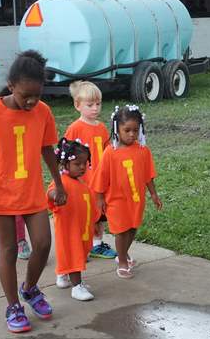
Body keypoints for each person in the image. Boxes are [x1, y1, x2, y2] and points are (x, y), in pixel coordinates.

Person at [0, 50, 64, 334]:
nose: (32, 102)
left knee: (43, 243)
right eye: (25, 96)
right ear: (11, 86)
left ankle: (30, 289)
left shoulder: (43, 112)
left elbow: (47, 148)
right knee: (8, 250)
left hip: (30, 191)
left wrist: (59, 182)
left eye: (37, 95)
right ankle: (13, 306)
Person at [93, 105, 161, 278]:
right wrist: (100, 198)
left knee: (132, 228)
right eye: (127, 130)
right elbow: (101, 176)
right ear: (117, 129)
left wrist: (153, 194)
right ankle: (122, 259)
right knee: (121, 230)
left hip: (136, 199)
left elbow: (148, 175)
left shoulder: (143, 151)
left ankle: (124, 253)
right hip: (116, 200)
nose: (132, 134)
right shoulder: (110, 152)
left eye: (135, 130)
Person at [64, 80, 117, 260]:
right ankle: (80, 246)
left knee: (99, 214)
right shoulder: (74, 128)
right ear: (77, 105)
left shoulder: (101, 127)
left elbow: (108, 151)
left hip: (99, 181)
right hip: (83, 181)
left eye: (98, 104)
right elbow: (66, 155)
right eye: (90, 105)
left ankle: (96, 244)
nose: (95, 108)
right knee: (82, 214)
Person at [49, 138, 98, 301]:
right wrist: (55, 194)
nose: (83, 167)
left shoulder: (82, 184)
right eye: (78, 164)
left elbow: (90, 205)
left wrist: (95, 221)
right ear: (64, 164)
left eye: (85, 163)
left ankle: (63, 275)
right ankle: (77, 286)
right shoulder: (62, 182)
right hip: (68, 229)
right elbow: (50, 192)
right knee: (74, 254)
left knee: (74, 253)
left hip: (82, 228)